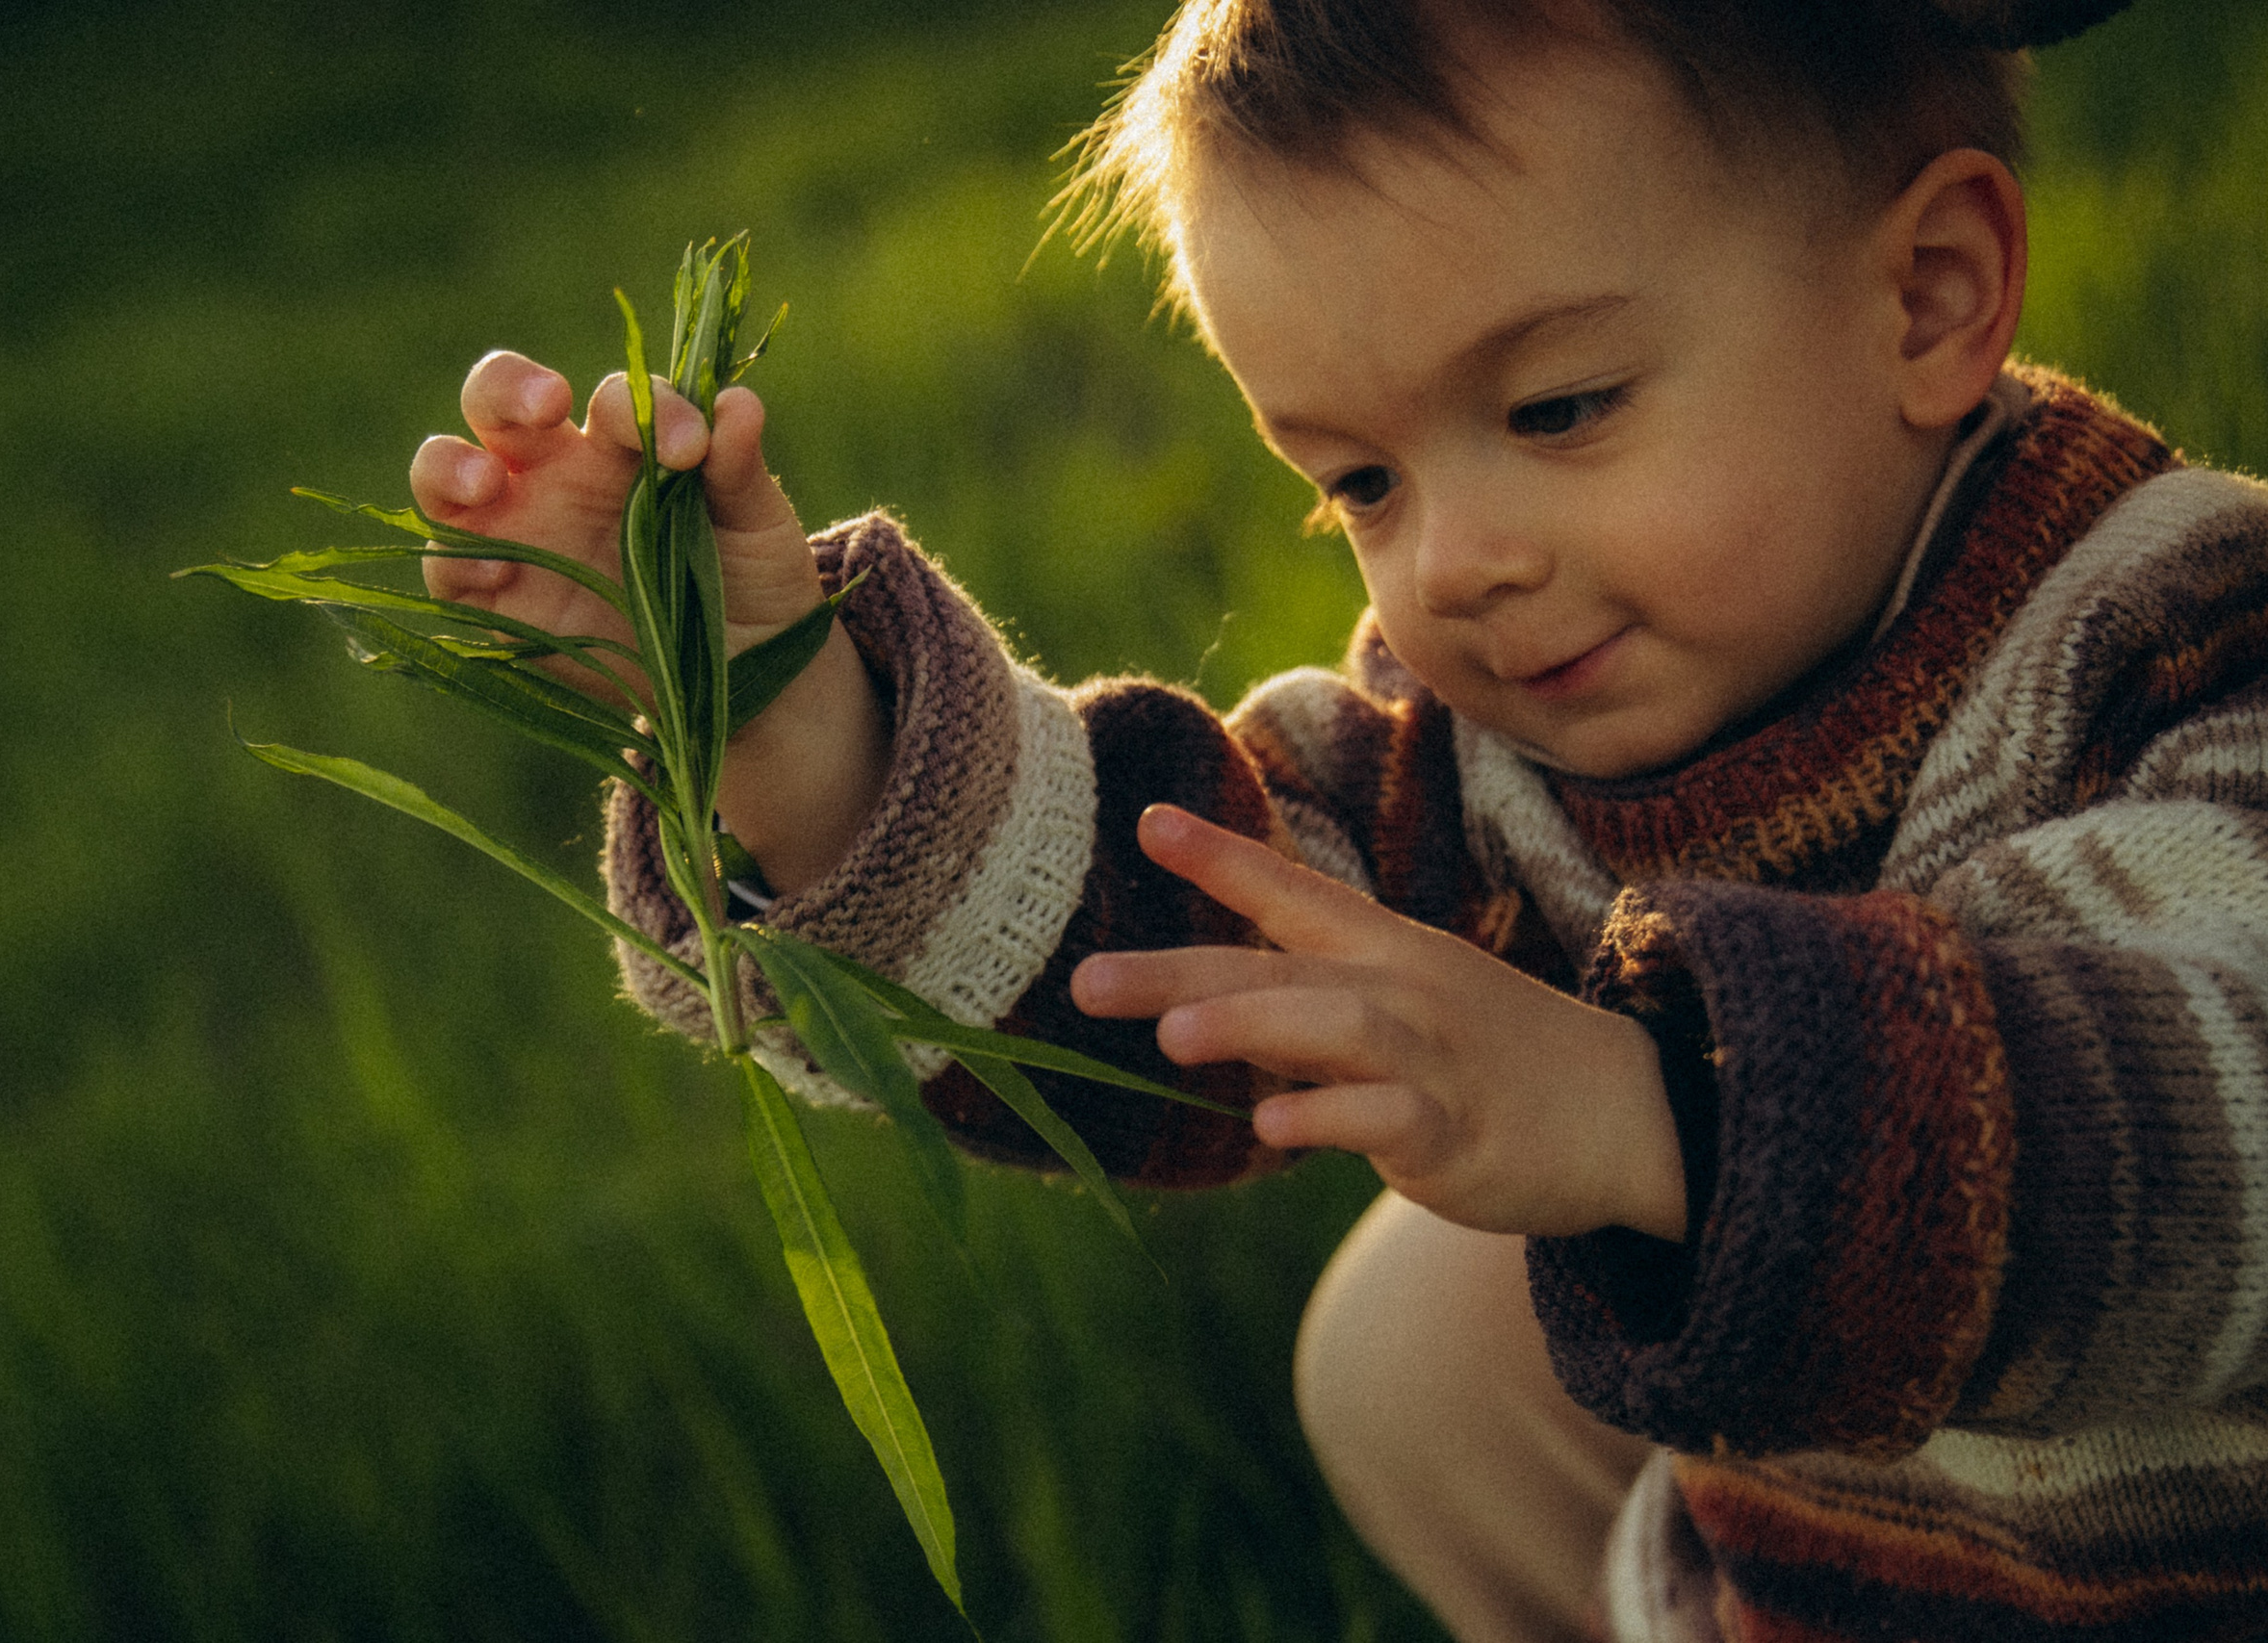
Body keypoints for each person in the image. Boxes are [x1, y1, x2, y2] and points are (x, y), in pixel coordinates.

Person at [406, 0, 2268, 1636]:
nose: (1451, 562)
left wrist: (1654, 1106)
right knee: (1408, 1350)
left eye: (1557, 408)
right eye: (1360, 479)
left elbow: (2216, 1109)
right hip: (1791, 1588)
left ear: (1930, 297)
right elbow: (1170, 927)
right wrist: (794, 731)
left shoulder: (2173, 635)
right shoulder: (1481, 749)